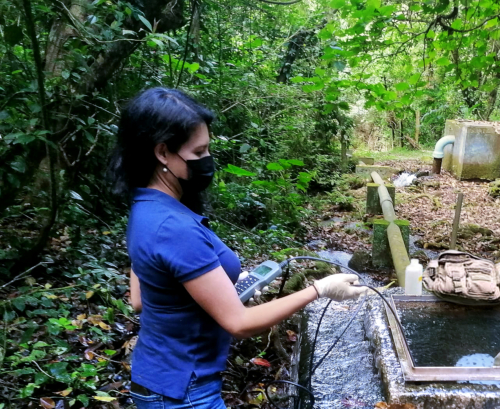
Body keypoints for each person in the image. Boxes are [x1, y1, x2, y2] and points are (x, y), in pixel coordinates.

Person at [107, 88, 368, 408]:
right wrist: (320, 289)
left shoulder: (146, 207)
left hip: (156, 380)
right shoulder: (174, 228)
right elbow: (239, 324)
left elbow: (139, 299)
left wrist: (215, 285)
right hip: (185, 392)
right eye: (199, 152)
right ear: (163, 153)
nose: (207, 161)